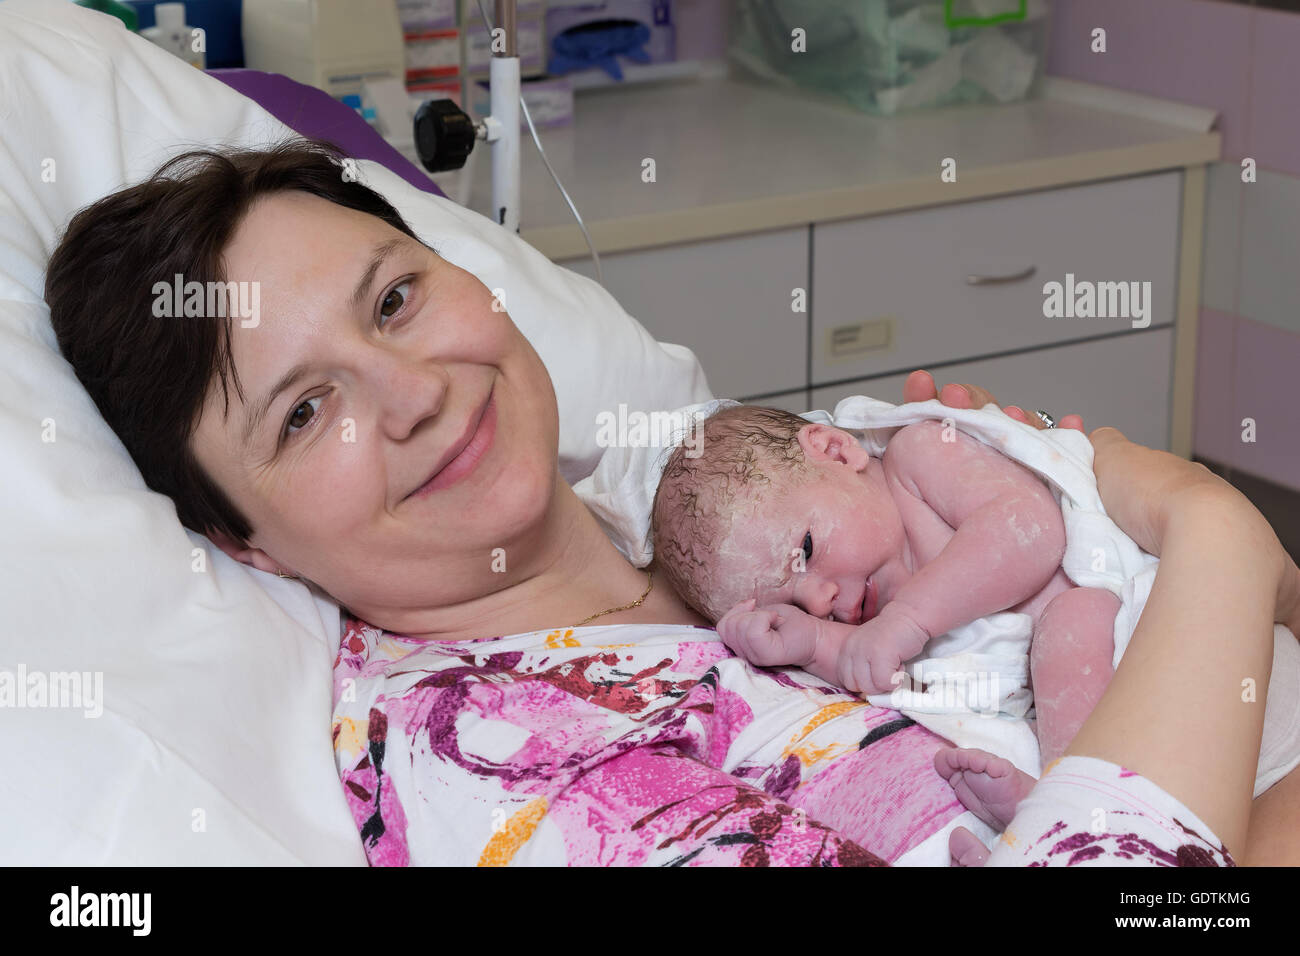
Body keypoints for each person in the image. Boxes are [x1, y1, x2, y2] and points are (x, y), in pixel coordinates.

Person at [42, 137, 1300, 866]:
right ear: (241, 539)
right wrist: (1212, 529)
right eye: (305, 412)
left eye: (393, 300)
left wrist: (1073, 508)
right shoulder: (492, 755)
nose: (413, 389)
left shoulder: (701, 525)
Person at [650, 402, 1122, 767]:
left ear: (836, 451)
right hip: (1084, 704)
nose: (818, 598)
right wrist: (811, 643)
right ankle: (1045, 818)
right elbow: (875, 668)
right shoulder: (874, 613)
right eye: (795, 601)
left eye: (806, 550)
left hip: (1129, 613)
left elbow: (1030, 527)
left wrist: (909, 618)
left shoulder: (918, 456)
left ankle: (1072, 798)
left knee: (1074, 617)